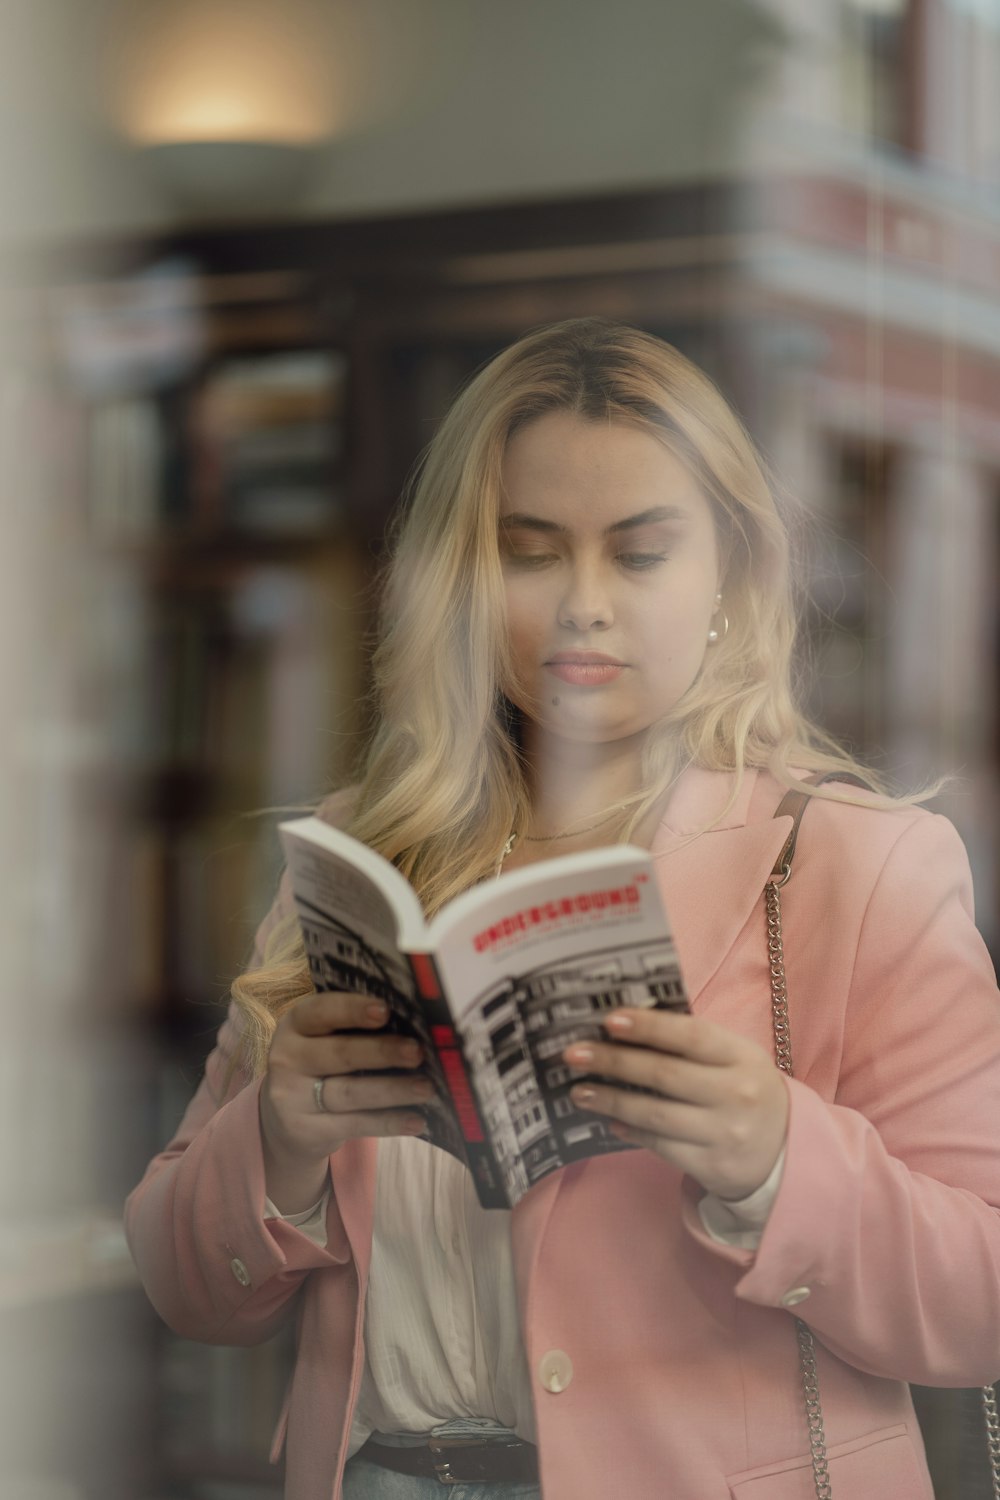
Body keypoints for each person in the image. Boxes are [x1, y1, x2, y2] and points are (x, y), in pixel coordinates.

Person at [125, 318, 1000, 1500]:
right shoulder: (356, 859)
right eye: (529, 554)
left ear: (727, 583)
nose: (583, 604)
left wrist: (777, 1161)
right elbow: (186, 1286)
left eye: (638, 555)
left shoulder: (861, 863)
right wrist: (276, 1143)